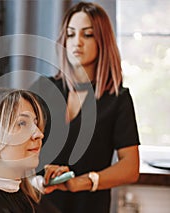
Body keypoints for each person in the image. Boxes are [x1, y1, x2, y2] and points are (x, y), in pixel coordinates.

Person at [34, 2, 140, 213]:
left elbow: (130, 167)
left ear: (102, 41)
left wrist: (85, 181)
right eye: (71, 35)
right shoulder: (42, 89)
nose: (77, 42)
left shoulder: (118, 99)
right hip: (36, 206)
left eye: (88, 34)